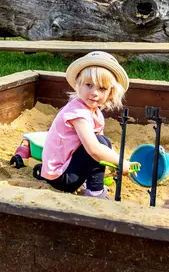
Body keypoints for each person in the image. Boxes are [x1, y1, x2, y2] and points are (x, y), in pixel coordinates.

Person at [41, 51, 131, 200]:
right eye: (89, 85)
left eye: (102, 88)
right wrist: (121, 162)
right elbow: (94, 150)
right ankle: (95, 193)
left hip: (70, 169)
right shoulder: (78, 113)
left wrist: (115, 162)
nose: (94, 92)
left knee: (104, 142)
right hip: (61, 177)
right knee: (99, 145)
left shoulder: (94, 112)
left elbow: (103, 146)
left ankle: (90, 183)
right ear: (78, 85)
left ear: (110, 93)